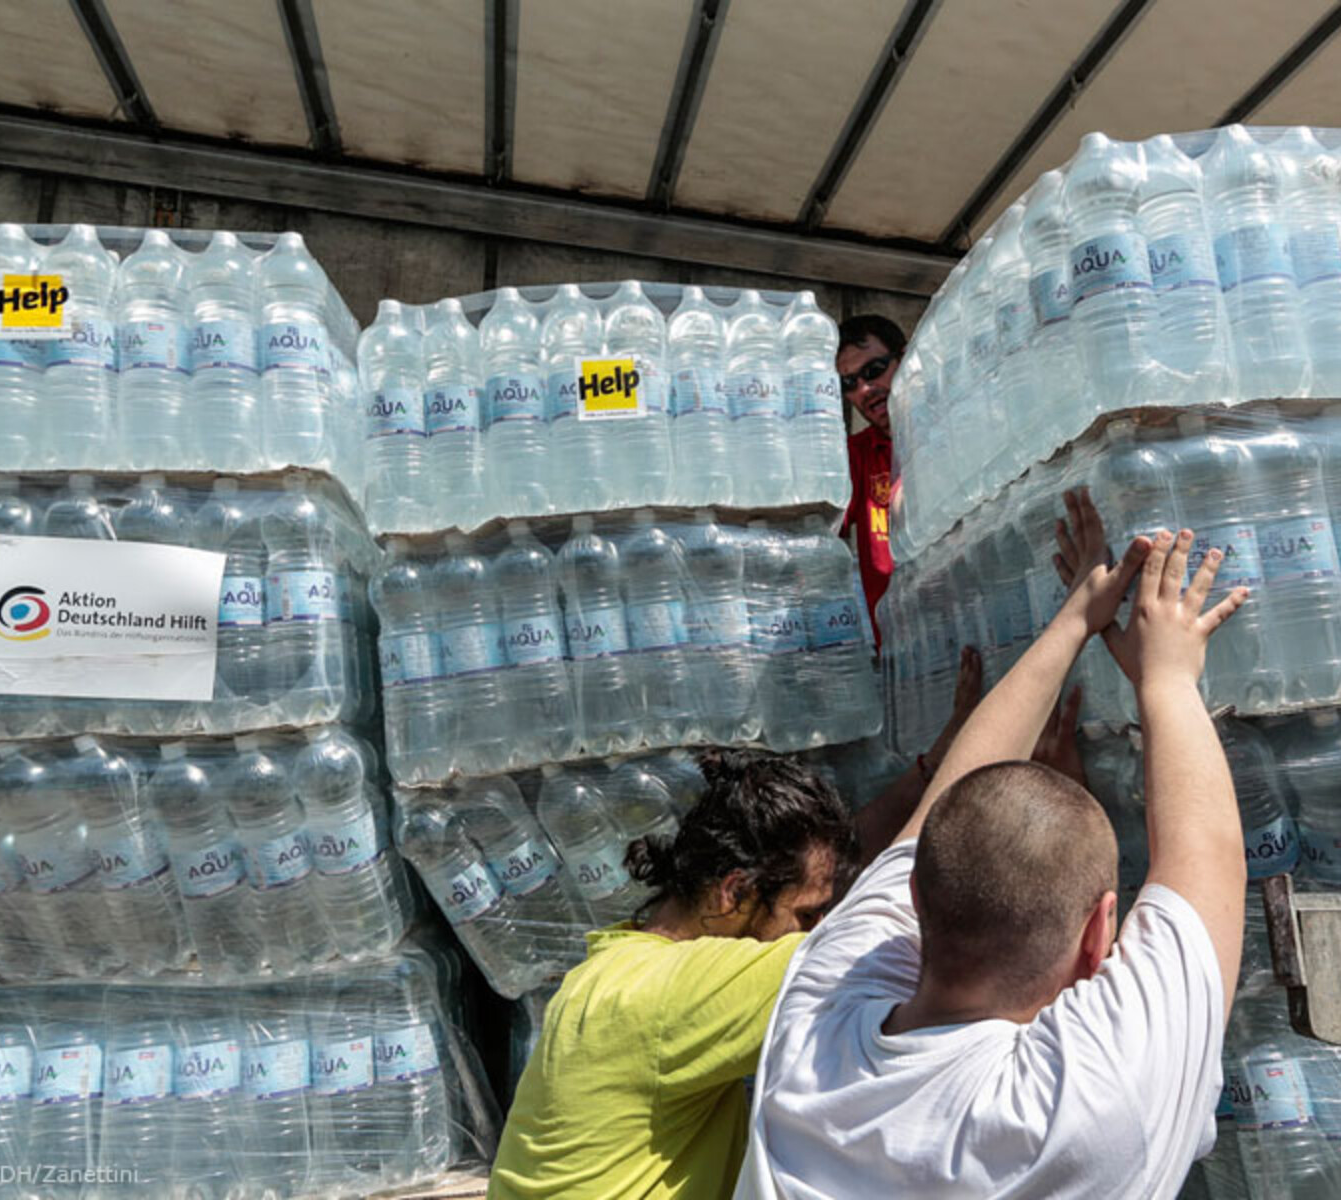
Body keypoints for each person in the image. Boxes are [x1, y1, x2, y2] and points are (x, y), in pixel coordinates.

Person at [736, 491, 1251, 1199]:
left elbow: (948, 803)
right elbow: (1208, 854)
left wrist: (1078, 619)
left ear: (914, 899)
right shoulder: (1090, 1111)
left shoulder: (813, 1028)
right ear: (1101, 933)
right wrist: (1163, 673)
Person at [490, 649, 996, 1200]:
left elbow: (841, 879)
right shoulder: (675, 995)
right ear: (735, 891)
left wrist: (928, 770)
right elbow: (872, 924)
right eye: (806, 917)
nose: (816, 929)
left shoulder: (628, 967)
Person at [836, 314, 904, 644]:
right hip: (900, 659)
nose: (864, 389)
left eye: (874, 371)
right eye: (849, 383)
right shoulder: (856, 455)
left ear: (904, 359)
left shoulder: (954, 427)